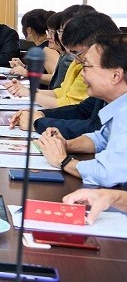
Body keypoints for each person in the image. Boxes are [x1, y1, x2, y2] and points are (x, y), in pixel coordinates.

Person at [35, 33, 127, 187]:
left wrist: (63, 161)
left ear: (115, 75)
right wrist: (65, 144)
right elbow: (101, 138)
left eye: (86, 66)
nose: (82, 74)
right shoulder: (118, 105)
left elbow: (107, 173)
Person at [5, 11, 117, 108]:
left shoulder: (81, 62)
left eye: (56, 32)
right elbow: (61, 92)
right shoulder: (75, 60)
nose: (49, 36)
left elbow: (71, 104)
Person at [8, 9, 58, 87]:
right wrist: (24, 67)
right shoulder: (42, 47)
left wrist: (27, 73)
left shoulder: (47, 50)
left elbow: (57, 79)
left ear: (29, 29)